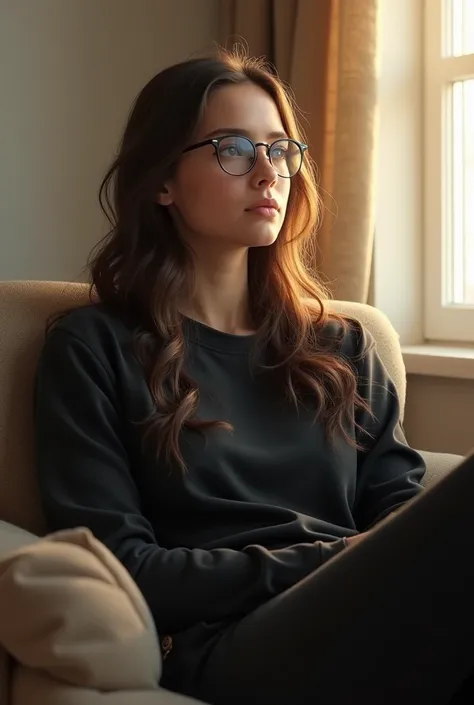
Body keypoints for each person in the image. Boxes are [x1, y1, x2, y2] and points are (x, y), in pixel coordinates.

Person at [34, 49, 474, 705]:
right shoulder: (94, 348)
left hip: (377, 615)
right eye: (233, 149)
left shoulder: (342, 347)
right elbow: (125, 568)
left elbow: (404, 519)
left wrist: (365, 559)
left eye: (279, 149)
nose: (268, 173)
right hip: (232, 643)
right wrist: (336, 559)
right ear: (162, 181)